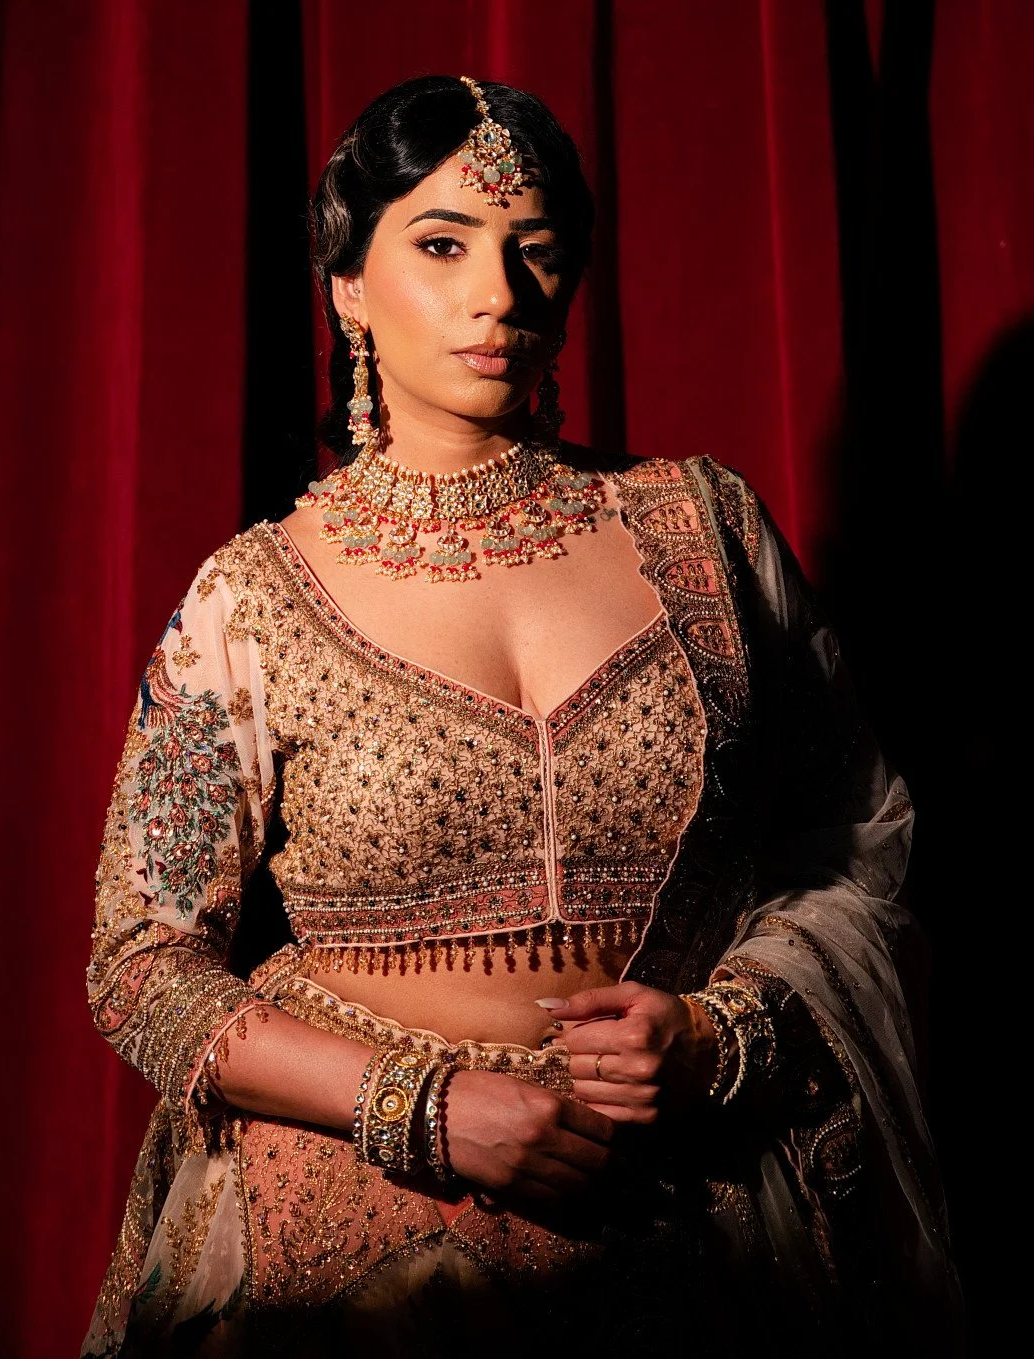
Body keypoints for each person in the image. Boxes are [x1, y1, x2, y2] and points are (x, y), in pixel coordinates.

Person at [82, 75, 961, 1357]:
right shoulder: (254, 599)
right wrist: (422, 1108)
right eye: (442, 245)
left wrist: (721, 1032)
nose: (501, 293)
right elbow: (139, 965)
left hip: (686, 1211)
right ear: (346, 287)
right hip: (346, 1242)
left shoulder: (704, 531)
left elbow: (855, 844)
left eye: (535, 249)